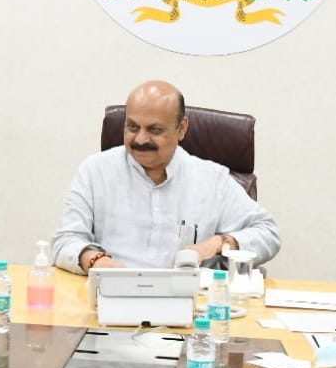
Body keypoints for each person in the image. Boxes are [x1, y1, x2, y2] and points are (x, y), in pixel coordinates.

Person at [51, 80, 279, 273]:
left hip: (190, 308)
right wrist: (96, 261)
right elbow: (64, 242)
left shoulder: (212, 179)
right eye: (132, 127)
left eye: (154, 130)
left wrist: (219, 243)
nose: (140, 139)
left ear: (181, 129)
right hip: (108, 299)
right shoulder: (95, 171)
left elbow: (268, 233)